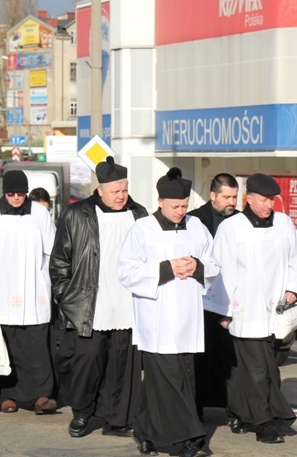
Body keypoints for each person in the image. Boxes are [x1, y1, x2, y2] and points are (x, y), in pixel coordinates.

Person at [118, 167, 219, 457]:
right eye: (175, 206)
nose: (180, 212)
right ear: (161, 201)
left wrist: (197, 267)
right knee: (171, 380)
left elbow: (214, 265)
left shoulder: (197, 227)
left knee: (179, 377)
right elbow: (126, 271)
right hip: (157, 318)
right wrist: (166, 268)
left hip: (188, 318)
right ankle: (186, 441)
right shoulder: (142, 229)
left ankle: (145, 429)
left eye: (185, 206)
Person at [50, 156, 147, 439]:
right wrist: (66, 297)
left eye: (125, 190)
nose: (121, 196)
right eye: (115, 191)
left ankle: (117, 419)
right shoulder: (76, 214)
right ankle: (82, 412)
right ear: (100, 190)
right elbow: (59, 262)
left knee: (123, 364)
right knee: (87, 362)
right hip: (88, 305)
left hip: (129, 304)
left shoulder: (139, 214)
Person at [212, 173, 297, 444]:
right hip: (246, 310)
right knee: (258, 370)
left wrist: (292, 287)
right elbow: (222, 269)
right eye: (263, 199)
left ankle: (239, 412)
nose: (268, 205)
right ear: (249, 198)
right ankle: (266, 422)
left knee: (263, 368)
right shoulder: (232, 228)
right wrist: (224, 309)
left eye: (272, 200)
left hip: (277, 311)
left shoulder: (284, 223)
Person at [0, 170, 57, 415]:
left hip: (35, 288)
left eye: (20, 193)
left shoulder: (40, 213)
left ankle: (41, 395)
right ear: (3, 192)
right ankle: (7, 395)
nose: (16, 198)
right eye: (11, 193)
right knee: (7, 343)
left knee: (36, 344)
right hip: (2, 288)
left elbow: (52, 250)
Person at [187, 173, 239, 419]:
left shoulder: (240, 221)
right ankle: (196, 408)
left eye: (235, 197)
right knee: (201, 357)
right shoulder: (195, 220)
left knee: (230, 358)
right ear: (213, 195)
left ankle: (234, 410)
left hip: (231, 300)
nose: (232, 202)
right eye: (226, 197)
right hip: (200, 300)